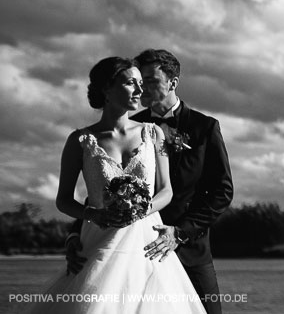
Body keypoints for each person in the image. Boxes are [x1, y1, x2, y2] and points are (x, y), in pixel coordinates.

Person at [66, 49, 234, 314]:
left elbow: (222, 192)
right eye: (137, 80)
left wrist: (180, 233)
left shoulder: (205, 127)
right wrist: (77, 232)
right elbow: (106, 186)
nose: (141, 88)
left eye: (150, 81)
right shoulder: (130, 124)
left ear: (172, 84)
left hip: (189, 249)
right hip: (126, 250)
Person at [34, 56, 206, 313]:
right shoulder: (80, 140)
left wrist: (139, 211)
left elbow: (166, 190)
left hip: (146, 242)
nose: (140, 90)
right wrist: (94, 214)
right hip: (98, 239)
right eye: (130, 83)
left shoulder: (153, 133)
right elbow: (64, 200)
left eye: (141, 83)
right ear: (106, 89)